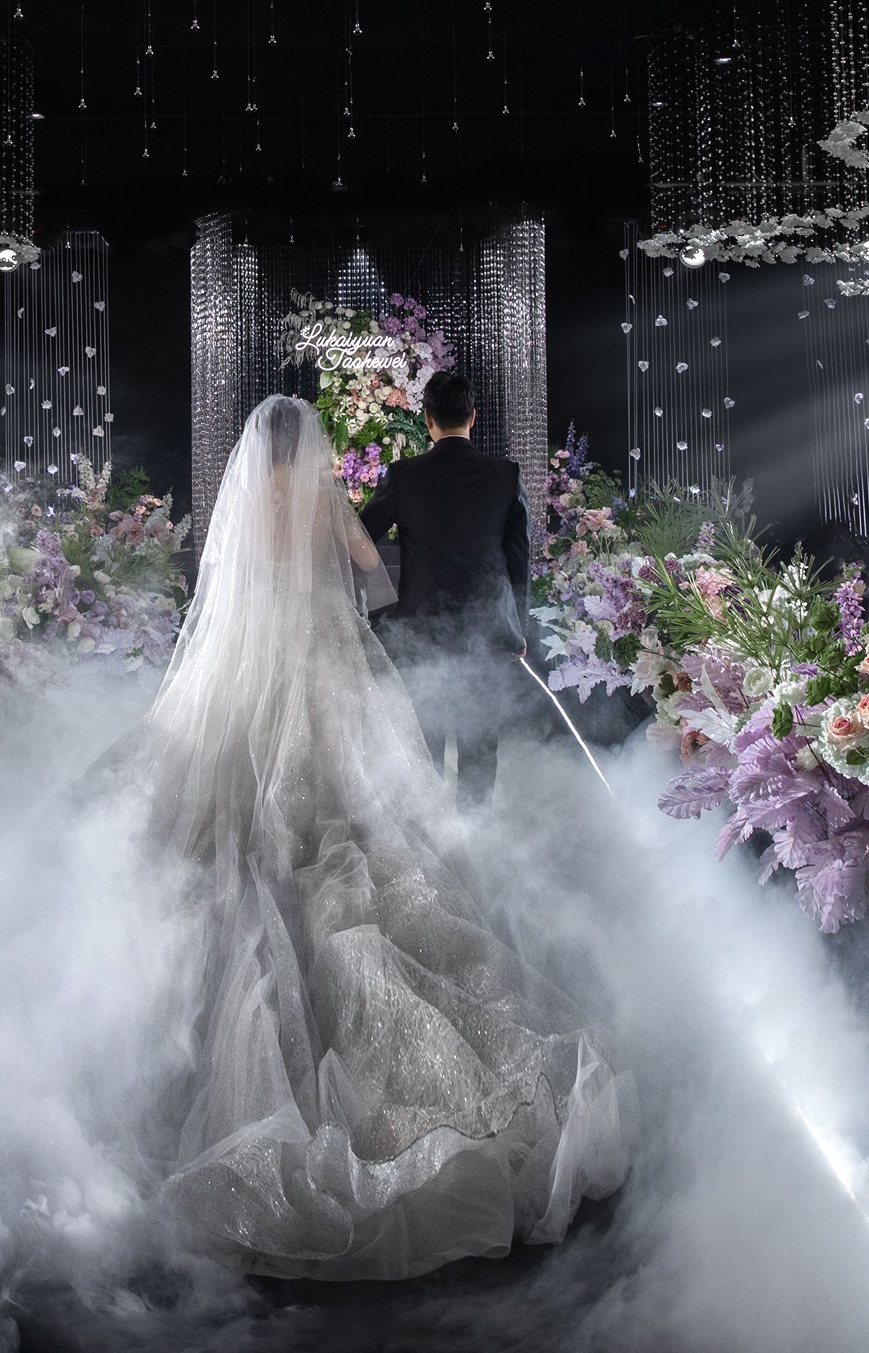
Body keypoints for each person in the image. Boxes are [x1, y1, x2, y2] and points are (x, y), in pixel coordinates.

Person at [145, 394, 623, 1278]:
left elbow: (220, 578)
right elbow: (371, 564)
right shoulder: (327, 495)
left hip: (250, 651)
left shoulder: (246, 502)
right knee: (356, 804)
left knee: (243, 797)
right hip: (324, 646)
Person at [355, 370, 537, 801]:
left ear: (427, 419)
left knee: (425, 748)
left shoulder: (404, 475)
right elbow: (519, 561)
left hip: (421, 630)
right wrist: (519, 627)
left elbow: (361, 538)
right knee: (479, 749)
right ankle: (477, 834)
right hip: (487, 631)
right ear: (472, 417)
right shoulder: (505, 475)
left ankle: (431, 835)